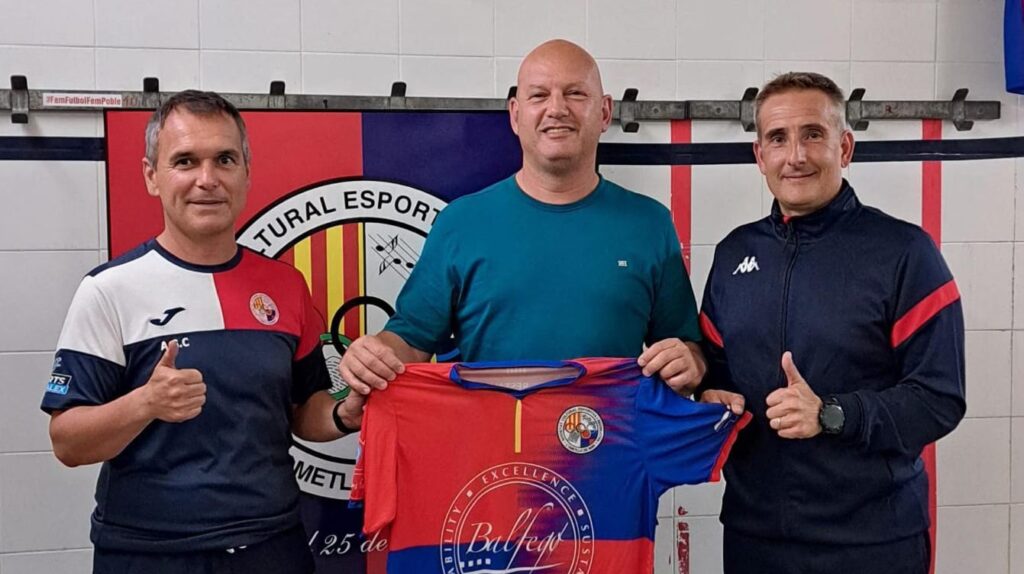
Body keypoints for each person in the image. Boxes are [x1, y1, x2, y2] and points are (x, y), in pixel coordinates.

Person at [41, 90, 365, 574]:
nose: (207, 179)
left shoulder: (287, 286)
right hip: (150, 554)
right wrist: (145, 403)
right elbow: (67, 442)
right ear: (152, 175)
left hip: (272, 546)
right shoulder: (108, 289)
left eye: (225, 160)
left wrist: (344, 412)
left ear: (246, 173)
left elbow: (304, 413)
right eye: (185, 161)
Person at [697, 72, 966, 573]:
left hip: (872, 543)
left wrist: (831, 414)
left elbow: (939, 399)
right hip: (755, 539)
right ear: (760, 155)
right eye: (778, 138)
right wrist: (710, 394)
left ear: (844, 147)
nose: (795, 155)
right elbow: (715, 369)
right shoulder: (734, 254)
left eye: (813, 134)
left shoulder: (905, 253)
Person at [340, 39, 705, 390]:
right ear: (515, 115)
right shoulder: (460, 223)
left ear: (605, 112)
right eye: (539, 95)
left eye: (575, 93)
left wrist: (690, 361)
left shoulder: (650, 224)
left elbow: (687, 349)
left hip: (612, 434)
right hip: (493, 434)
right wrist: (374, 356)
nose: (557, 109)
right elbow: (409, 342)